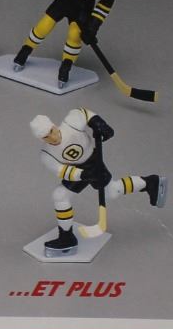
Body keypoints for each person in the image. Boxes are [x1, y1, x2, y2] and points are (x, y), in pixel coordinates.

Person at [30, 108, 164, 257]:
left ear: (54, 125)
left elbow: (82, 113)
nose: (52, 137)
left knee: (112, 192)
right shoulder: (46, 155)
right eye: (46, 137)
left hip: (94, 162)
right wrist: (83, 175)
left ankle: (150, 183)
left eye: (51, 131)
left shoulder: (70, 125)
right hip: (78, 172)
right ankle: (66, 237)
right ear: (41, 139)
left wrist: (98, 122)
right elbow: (62, 171)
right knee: (60, 195)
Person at [11, 0, 122, 84]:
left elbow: (102, 10)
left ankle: (66, 67)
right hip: (65, 0)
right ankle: (24, 51)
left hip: (82, 11)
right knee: (44, 25)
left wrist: (92, 28)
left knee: (75, 35)